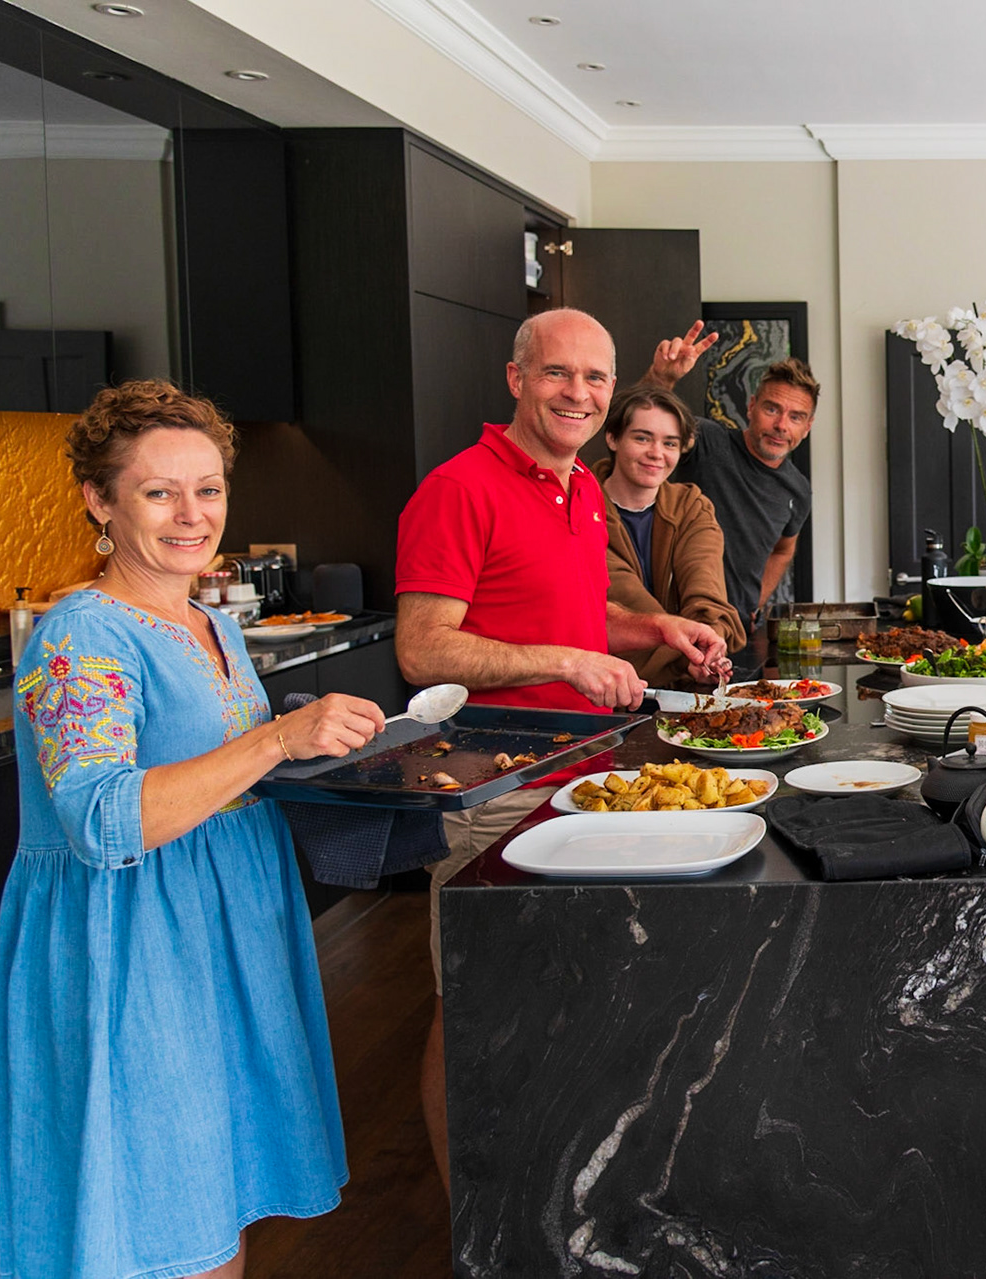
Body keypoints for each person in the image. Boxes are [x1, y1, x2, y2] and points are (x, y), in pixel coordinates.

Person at [0, 380, 386, 1279]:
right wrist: (277, 738)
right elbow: (103, 819)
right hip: (130, 949)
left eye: (208, 489)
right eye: (159, 491)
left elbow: (224, 771)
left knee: (213, 1203)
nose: (191, 514)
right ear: (100, 500)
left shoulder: (211, 622)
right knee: (158, 1226)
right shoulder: (81, 636)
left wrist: (337, 754)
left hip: (222, 935)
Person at [394, 307, 727, 1193]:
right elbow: (423, 648)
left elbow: (579, 614)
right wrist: (566, 661)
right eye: (557, 372)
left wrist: (657, 627)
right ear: (517, 379)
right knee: (474, 1007)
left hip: (580, 781)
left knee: (570, 997)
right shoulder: (459, 488)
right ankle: (469, 1219)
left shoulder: (580, 488)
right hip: (489, 787)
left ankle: (550, 1201)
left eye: (595, 377)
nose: (577, 392)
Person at [652, 345, 816, 670]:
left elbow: (783, 549)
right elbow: (651, 425)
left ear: (807, 427)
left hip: (734, 632)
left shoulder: (797, 490)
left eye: (795, 417)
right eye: (772, 409)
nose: (781, 425)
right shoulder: (708, 441)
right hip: (671, 623)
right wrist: (662, 379)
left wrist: (756, 600)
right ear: (752, 406)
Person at [597, 382, 746, 683]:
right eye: (642, 438)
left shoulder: (691, 507)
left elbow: (707, 592)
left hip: (681, 683)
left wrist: (710, 649)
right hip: (605, 684)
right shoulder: (581, 506)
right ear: (612, 438)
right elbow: (626, 604)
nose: (657, 453)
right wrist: (688, 657)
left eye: (670, 443)